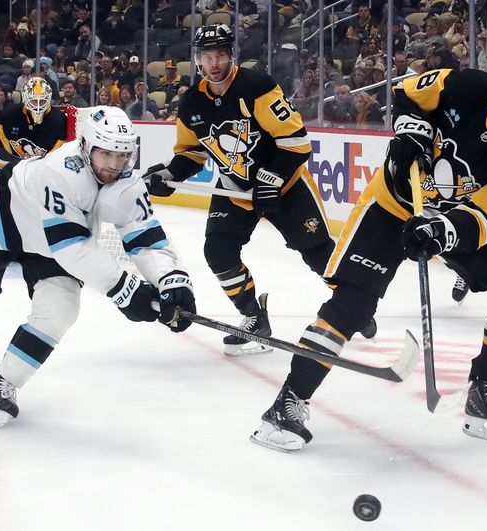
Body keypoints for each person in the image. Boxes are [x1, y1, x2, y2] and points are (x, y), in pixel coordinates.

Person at [250, 55, 487, 451]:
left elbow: (483, 219)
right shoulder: (465, 87)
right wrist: (412, 132)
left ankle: (485, 391)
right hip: (391, 206)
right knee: (353, 304)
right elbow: (406, 93)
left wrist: (440, 230)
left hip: (447, 222)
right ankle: (288, 403)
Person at [0, 106, 196, 427]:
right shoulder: (60, 171)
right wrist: (124, 288)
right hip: (0, 219)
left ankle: (2, 383)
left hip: (53, 241)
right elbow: (72, 247)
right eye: (106, 154)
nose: (115, 165)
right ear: (85, 146)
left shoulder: (126, 183)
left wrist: (171, 280)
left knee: (61, 308)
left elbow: (146, 238)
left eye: (122, 156)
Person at [143, 24, 376, 355]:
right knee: (218, 252)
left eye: (220, 55)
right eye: (207, 57)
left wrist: (271, 180)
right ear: (198, 60)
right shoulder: (193, 102)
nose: (214, 64)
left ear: (231, 56)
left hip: (287, 185)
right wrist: (169, 173)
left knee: (316, 251)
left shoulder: (257, 86)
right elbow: (192, 153)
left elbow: (296, 142)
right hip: (234, 188)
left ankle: (355, 303)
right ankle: (254, 316)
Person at [0, 77, 68, 190]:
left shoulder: (59, 120)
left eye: (43, 101)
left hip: (33, 167)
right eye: (34, 100)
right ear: (26, 98)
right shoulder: (8, 114)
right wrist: (3, 153)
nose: (38, 106)